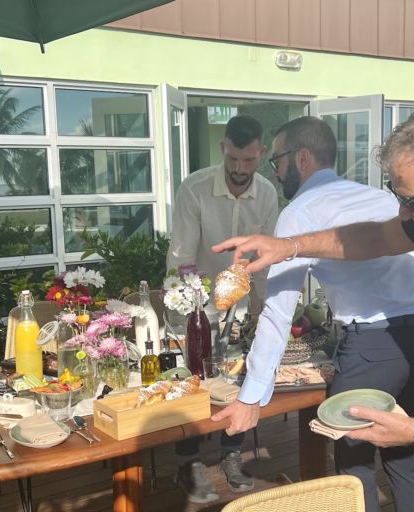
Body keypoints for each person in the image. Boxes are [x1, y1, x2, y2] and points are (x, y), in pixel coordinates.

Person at [211, 115, 414, 512]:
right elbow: (377, 237)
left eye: (275, 161)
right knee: (402, 452)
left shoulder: (299, 210)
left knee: (355, 465)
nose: (404, 212)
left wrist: (251, 397)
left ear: (300, 158)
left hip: (372, 346)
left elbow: (277, 314)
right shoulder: (385, 200)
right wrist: (288, 246)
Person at [167, 114, 278, 503]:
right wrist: (188, 306)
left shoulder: (267, 194)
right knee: (193, 379)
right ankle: (189, 461)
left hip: (242, 303)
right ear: (223, 149)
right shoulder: (194, 188)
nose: (239, 169)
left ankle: (233, 454)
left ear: (261, 154)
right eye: (233, 159)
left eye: (248, 161)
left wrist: (266, 310)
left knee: (237, 377)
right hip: (196, 300)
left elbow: (265, 258)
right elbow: (181, 255)